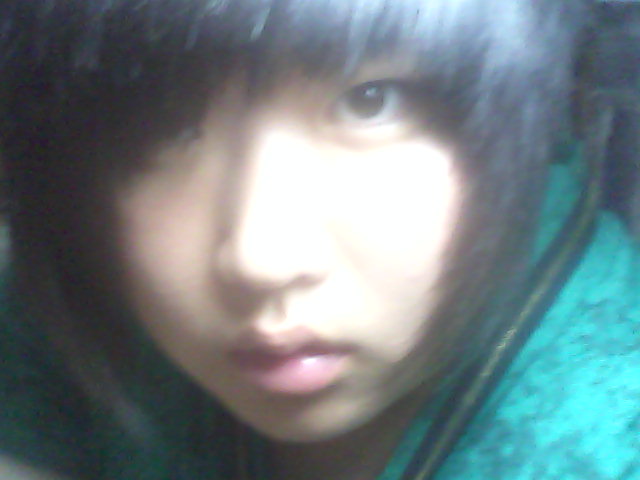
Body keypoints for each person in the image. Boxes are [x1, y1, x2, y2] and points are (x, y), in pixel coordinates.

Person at [0, 0, 637, 479]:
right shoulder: (68, 280)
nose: (260, 259)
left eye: (372, 101)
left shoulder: (611, 431)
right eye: (163, 121)